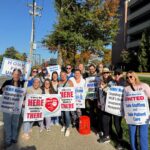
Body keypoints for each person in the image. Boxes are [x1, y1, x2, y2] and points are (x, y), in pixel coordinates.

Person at [124, 71, 150, 150]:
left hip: (143, 115)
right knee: (132, 134)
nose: (129, 78)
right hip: (132, 116)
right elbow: (125, 102)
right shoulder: (126, 89)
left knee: (143, 135)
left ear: (135, 76)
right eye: (127, 77)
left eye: (131, 76)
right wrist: (126, 114)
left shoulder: (144, 86)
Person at [0, 69, 24, 148]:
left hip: (16, 108)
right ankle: (8, 140)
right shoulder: (7, 82)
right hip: (7, 108)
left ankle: (14, 138)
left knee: (15, 124)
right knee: (7, 124)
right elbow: (0, 91)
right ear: (12, 74)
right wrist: (2, 89)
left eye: (18, 74)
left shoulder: (22, 84)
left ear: (20, 75)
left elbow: (24, 94)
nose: (16, 76)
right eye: (15, 74)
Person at [97, 68, 115, 143]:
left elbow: (110, 91)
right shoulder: (100, 81)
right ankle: (107, 133)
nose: (105, 74)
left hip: (108, 105)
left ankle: (106, 136)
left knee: (105, 120)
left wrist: (104, 87)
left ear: (109, 73)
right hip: (102, 104)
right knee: (104, 120)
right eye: (104, 73)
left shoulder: (111, 82)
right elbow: (98, 92)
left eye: (107, 72)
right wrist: (98, 102)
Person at [112, 69, 125, 149]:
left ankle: (120, 141)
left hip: (120, 108)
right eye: (115, 73)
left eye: (118, 74)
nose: (117, 75)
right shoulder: (113, 82)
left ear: (122, 74)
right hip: (113, 106)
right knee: (115, 123)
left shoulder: (124, 83)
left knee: (117, 124)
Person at [58, 71, 73, 137]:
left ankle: (68, 128)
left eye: (64, 75)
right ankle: (64, 125)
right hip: (61, 102)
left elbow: (73, 91)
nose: (63, 76)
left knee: (67, 114)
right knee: (62, 115)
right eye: (61, 75)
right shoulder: (59, 83)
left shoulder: (70, 82)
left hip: (67, 102)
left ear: (66, 75)